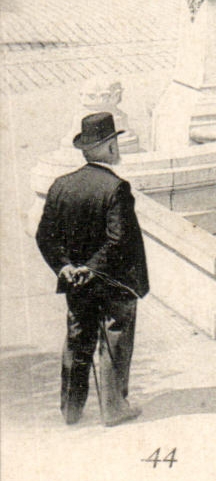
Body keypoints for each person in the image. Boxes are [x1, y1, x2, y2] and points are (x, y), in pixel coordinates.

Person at [35, 112, 148, 426]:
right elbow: (118, 239)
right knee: (115, 339)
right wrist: (93, 268)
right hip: (113, 282)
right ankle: (113, 409)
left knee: (77, 339)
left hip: (76, 282)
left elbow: (44, 235)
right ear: (110, 147)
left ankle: (71, 410)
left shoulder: (60, 186)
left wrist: (66, 267)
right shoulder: (116, 188)